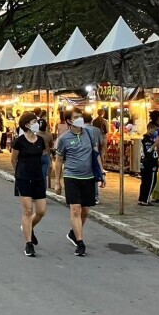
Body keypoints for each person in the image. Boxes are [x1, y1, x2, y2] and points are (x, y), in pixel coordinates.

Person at [56, 108, 104, 257]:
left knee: (85, 211)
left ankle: (73, 233)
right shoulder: (64, 139)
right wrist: (57, 182)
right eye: (76, 117)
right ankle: (80, 242)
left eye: (80, 116)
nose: (80, 119)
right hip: (71, 177)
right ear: (69, 121)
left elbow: (95, 155)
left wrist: (102, 173)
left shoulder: (89, 134)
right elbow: (58, 161)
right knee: (75, 209)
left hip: (88, 178)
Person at [12, 112, 48, 257]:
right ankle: (28, 244)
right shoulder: (19, 141)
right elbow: (13, 160)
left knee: (41, 211)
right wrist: (19, 173)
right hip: (24, 178)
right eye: (34, 121)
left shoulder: (40, 140)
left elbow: (43, 156)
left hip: (38, 178)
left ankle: (28, 227)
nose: (37, 123)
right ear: (26, 124)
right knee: (27, 210)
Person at [84, 113, 106, 204]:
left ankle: (85, 195)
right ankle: (95, 196)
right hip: (96, 154)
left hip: (84, 154)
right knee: (95, 175)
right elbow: (101, 142)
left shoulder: (81, 130)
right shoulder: (97, 130)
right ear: (91, 120)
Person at [138, 122, 159, 206]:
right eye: (154, 130)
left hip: (147, 163)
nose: (155, 132)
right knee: (150, 181)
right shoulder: (146, 139)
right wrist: (156, 143)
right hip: (148, 163)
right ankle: (145, 200)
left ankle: (142, 199)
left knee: (145, 182)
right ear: (149, 129)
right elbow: (148, 151)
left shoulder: (150, 139)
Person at [53, 111, 72, 195]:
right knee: (61, 160)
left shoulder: (58, 124)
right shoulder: (67, 127)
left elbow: (56, 133)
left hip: (60, 142)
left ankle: (59, 180)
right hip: (66, 142)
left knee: (59, 159)